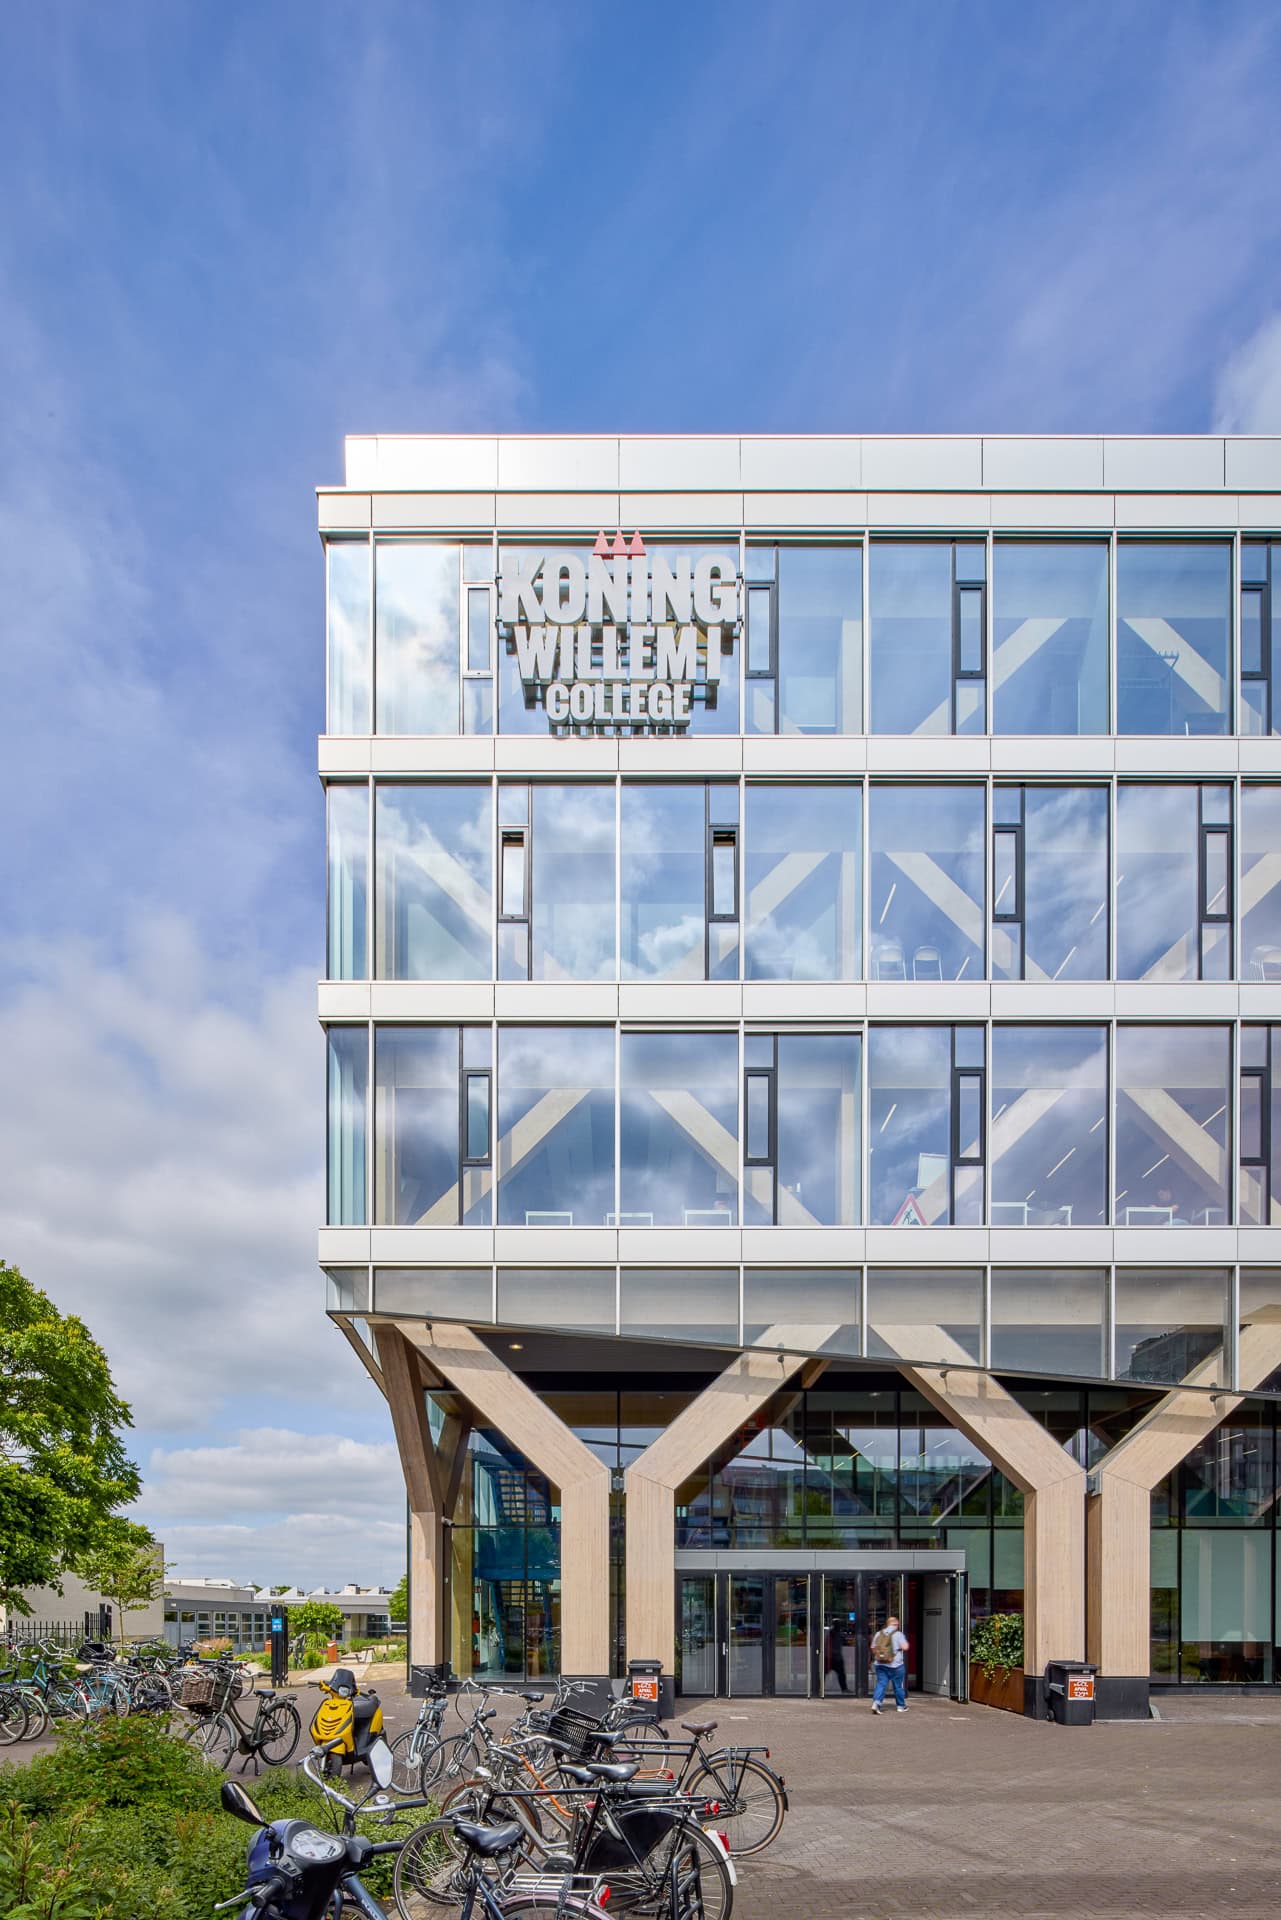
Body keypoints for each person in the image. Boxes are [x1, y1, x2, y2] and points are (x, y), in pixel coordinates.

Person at [870, 1614, 909, 1714]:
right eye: (897, 1624)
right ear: (896, 1624)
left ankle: (876, 1703)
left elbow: (873, 1648)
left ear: (887, 1624)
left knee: (881, 1684)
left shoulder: (879, 1633)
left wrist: (881, 1656)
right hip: (896, 1665)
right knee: (898, 1686)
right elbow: (905, 1647)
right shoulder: (899, 1634)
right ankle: (900, 1706)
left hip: (880, 1664)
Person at [823, 1618, 849, 1694]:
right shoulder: (836, 1633)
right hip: (833, 1657)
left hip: (829, 1656)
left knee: (840, 1674)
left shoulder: (829, 1632)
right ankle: (844, 1689)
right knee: (841, 1674)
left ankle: (819, 1688)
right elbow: (845, 1642)